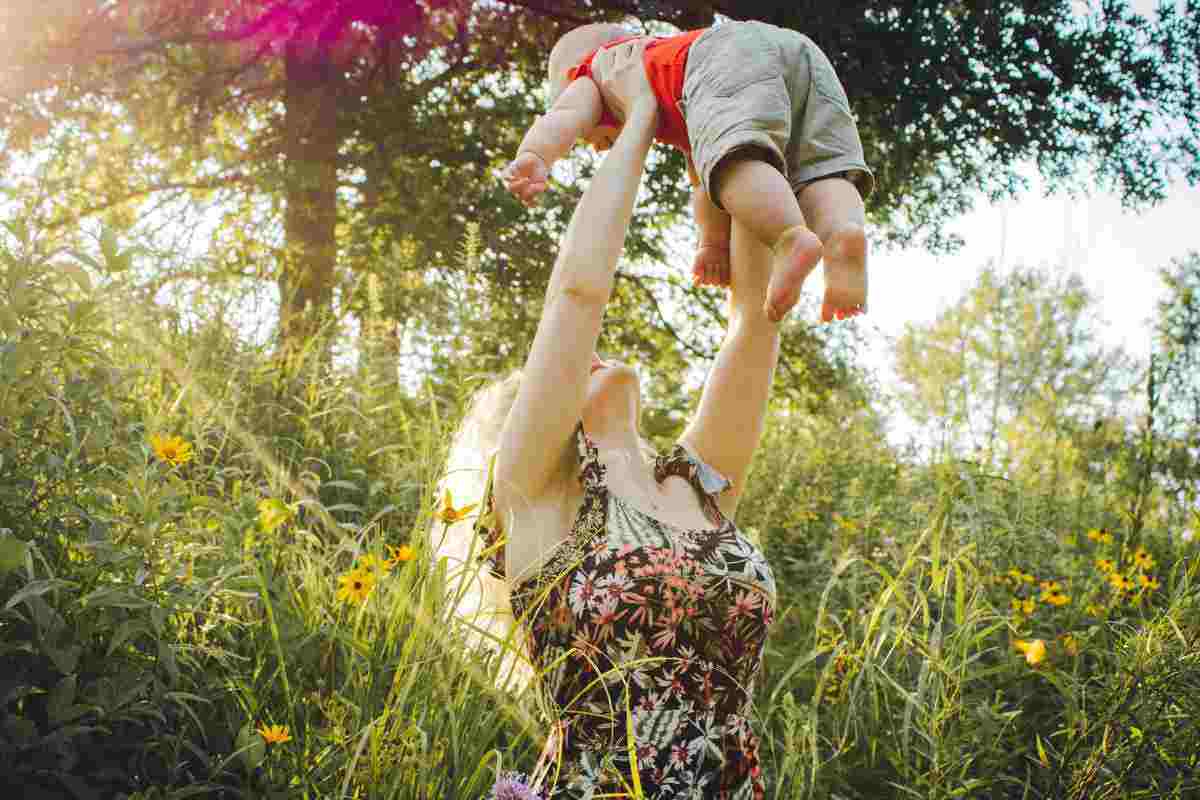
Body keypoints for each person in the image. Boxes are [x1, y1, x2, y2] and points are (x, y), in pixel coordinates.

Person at [438, 41, 779, 799]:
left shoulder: (698, 489)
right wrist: (638, 123)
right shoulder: (536, 493)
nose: (587, 359)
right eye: (561, 375)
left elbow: (755, 323)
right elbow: (578, 296)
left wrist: (729, 130)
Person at [502, 19, 874, 325]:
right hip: (797, 50)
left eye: (590, 138)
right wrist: (713, 245)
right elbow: (703, 182)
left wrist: (535, 154)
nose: (596, 144)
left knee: (735, 165)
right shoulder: (679, 87)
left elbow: (565, 116)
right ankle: (842, 233)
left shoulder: (599, 71)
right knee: (822, 168)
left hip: (724, 54)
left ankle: (790, 236)